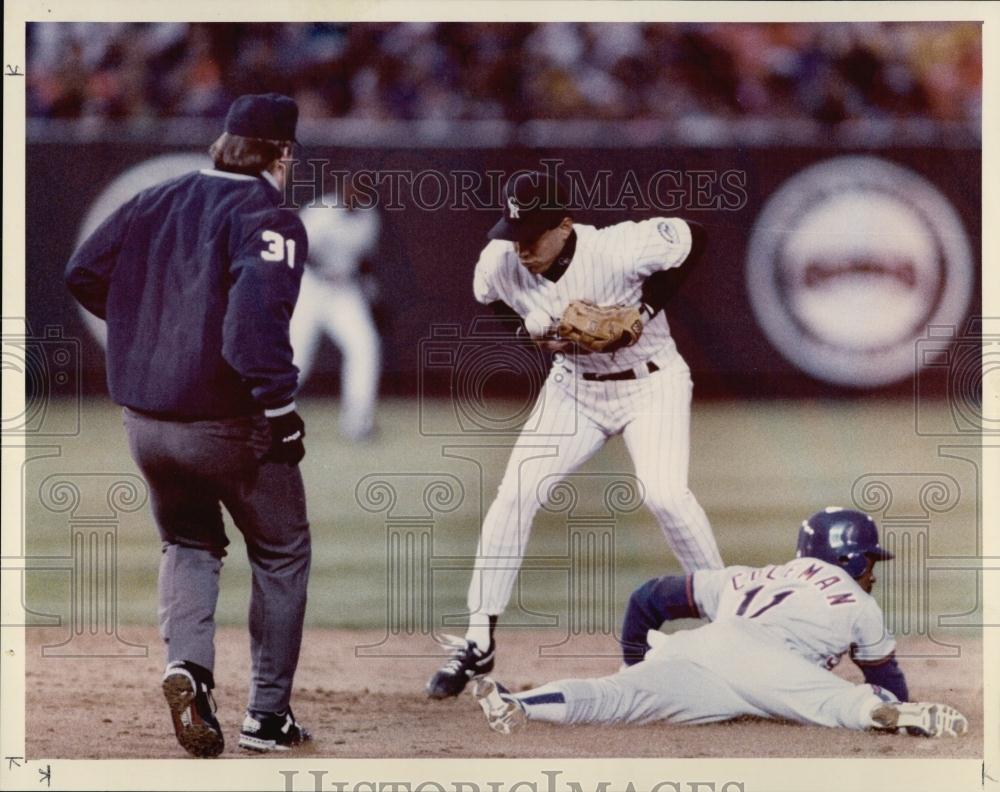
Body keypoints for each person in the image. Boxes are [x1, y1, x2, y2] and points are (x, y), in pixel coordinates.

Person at [65, 94, 313, 757]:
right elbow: (254, 322)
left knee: (188, 541)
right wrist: (280, 408)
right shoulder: (269, 214)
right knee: (282, 551)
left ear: (221, 144)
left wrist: (155, 334)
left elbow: (83, 272)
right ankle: (267, 719)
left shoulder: (156, 196)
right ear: (282, 154)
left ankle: (189, 669)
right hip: (225, 420)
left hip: (145, 422)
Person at [427, 170, 724, 699]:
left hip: (651, 383)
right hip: (574, 391)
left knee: (664, 495)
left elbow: (695, 236)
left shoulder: (618, 247)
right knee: (516, 493)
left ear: (565, 225)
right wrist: (524, 331)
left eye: (533, 235)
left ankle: (732, 620)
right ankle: (478, 639)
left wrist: (645, 309)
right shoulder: (500, 259)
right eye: (514, 233)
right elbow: (487, 296)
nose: (520, 247)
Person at [472, 508, 969, 739]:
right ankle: (892, 718)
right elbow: (888, 676)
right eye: (868, 563)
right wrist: (894, 699)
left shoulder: (746, 576)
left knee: (613, 698)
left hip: (698, 652)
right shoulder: (857, 601)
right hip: (768, 664)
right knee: (839, 701)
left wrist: (637, 665)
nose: (872, 573)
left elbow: (649, 598)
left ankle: (519, 703)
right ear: (850, 561)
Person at [290, 179, 382, 441]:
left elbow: (365, 261)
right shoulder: (321, 212)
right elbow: (296, 248)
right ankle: (267, 416)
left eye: (364, 192)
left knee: (365, 346)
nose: (357, 196)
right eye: (354, 190)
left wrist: (371, 291)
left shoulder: (368, 217)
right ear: (343, 190)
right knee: (298, 359)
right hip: (311, 287)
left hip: (343, 291)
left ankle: (358, 421)